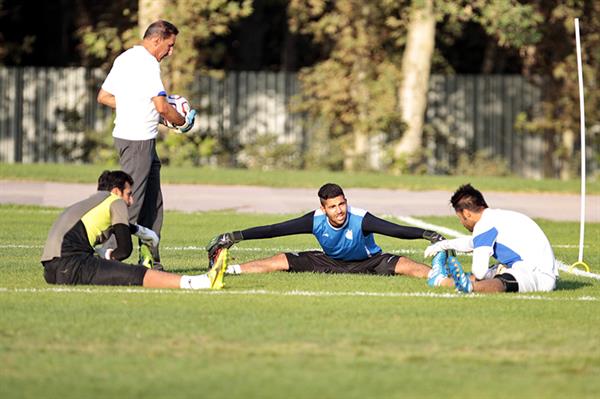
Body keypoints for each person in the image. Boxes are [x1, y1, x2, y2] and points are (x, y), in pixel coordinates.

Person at [97, 20, 197, 270]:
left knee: (154, 202)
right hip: (137, 140)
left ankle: (150, 256)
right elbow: (163, 107)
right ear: (156, 40)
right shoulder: (148, 64)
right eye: (170, 45)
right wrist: (182, 122)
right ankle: (107, 254)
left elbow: (104, 97)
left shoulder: (125, 58)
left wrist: (137, 106)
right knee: (133, 200)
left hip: (140, 139)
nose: (171, 51)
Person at [206, 183, 446, 281]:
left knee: (404, 264)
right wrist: (235, 237)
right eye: (333, 206)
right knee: (281, 259)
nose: (339, 210)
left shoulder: (361, 218)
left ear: (346, 201)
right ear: (323, 207)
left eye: (342, 204)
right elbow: (274, 230)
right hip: (329, 261)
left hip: (368, 262)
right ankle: (225, 271)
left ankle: (446, 280)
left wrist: (428, 234)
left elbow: (396, 230)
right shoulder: (315, 220)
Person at [41, 170, 226, 290]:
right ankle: (202, 281)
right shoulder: (115, 202)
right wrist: (110, 258)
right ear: (116, 191)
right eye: (129, 194)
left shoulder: (90, 203)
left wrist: (142, 233)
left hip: (52, 270)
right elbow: (124, 250)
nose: (131, 201)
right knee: (135, 273)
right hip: (71, 265)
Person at [423, 184, 558, 293]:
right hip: (538, 271)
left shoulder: (484, 226)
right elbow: (472, 243)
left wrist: (480, 276)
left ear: (466, 213)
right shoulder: (496, 218)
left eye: (460, 218)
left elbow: (479, 272)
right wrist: (443, 245)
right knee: (495, 270)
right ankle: (449, 276)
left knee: (495, 279)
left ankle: (444, 281)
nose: (461, 223)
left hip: (537, 277)